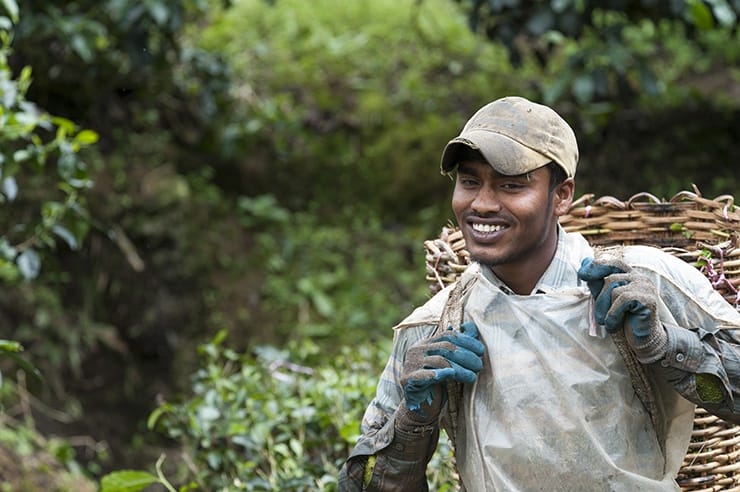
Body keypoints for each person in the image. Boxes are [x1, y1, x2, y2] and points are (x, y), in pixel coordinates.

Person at [337, 95, 740, 491]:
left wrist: (666, 344)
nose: (482, 204)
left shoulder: (641, 283)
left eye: (511, 186)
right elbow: (366, 484)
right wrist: (412, 421)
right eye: (469, 181)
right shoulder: (435, 327)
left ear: (562, 195)